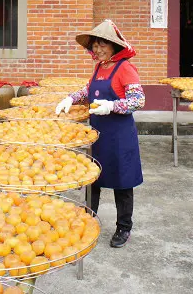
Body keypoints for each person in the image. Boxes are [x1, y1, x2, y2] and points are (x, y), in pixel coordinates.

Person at [55, 19, 144, 248]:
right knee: (92, 178)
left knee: (122, 182)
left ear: (114, 45)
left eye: (103, 44)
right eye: (95, 45)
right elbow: (88, 90)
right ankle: (87, 219)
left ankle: (124, 227)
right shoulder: (99, 67)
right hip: (97, 135)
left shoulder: (125, 68)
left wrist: (111, 106)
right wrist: (70, 98)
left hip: (120, 137)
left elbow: (137, 100)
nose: (98, 49)